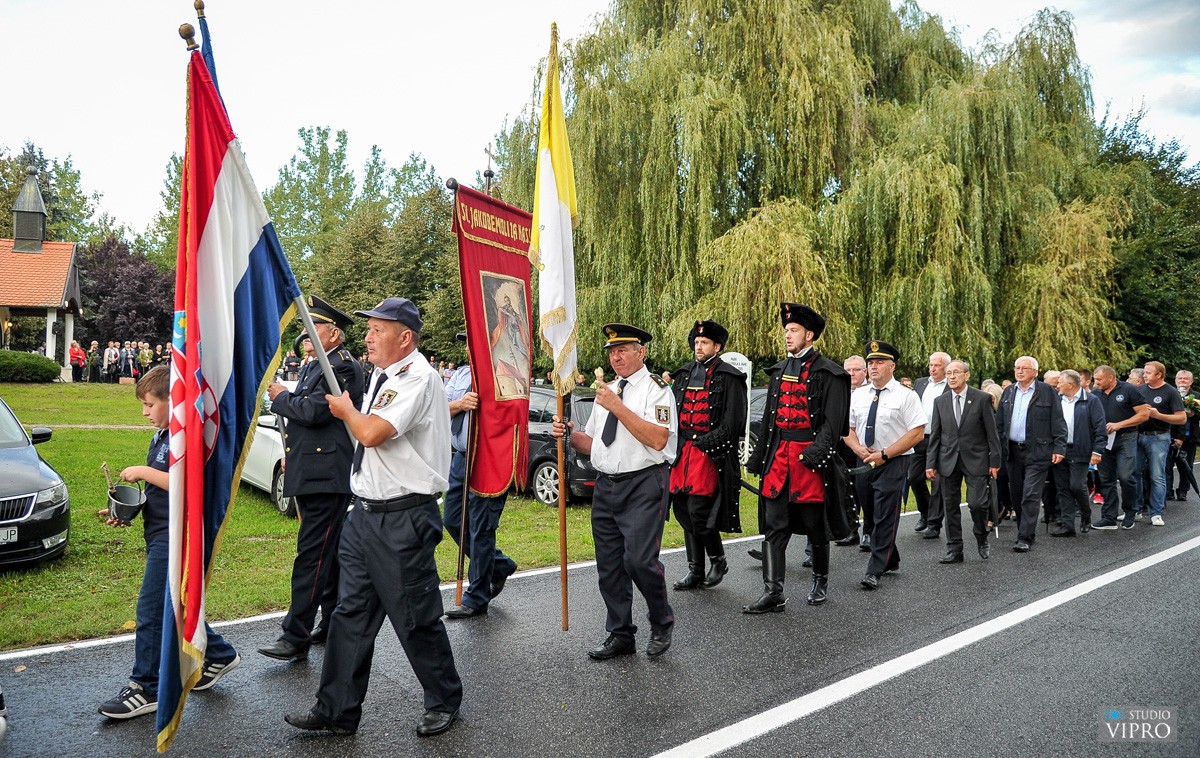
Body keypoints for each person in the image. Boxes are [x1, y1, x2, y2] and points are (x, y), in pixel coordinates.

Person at [285, 297, 462, 738]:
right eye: (367, 329)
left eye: (377, 330)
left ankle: (444, 699)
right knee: (350, 614)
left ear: (405, 337)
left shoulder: (417, 376)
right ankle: (336, 709)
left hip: (402, 516)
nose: (367, 336)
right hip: (365, 514)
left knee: (414, 616)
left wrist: (345, 410)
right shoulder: (385, 374)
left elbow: (372, 432)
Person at [97, 365, 240, 719]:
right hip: (158, 529)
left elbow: (188, 484)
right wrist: (128, 509)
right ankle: (219, 654)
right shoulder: (161, 435)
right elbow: (164, 490)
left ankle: (145, 687)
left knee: (151, 610)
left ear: (172, 401)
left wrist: (143, 472)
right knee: (172, 607)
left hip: (179, 536)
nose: (144, 412)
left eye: (149, 404)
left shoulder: (185, 435)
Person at [551, 323, 678, 659]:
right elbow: (593, 443)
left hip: (644, 483)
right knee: (608, 566)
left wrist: (617, 405)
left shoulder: (657, 391)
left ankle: (661, 620)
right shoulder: (607, 391)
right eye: (611, 351)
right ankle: (620, 633)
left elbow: (658, 438)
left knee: (639, 561)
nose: (616, 356)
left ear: (642, 352)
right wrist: (568, 433)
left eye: (623, 350)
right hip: (607, 485)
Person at [259, 296, 364, 662]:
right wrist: (294, 454)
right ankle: (329, 623)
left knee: (312, 557)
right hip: (311, 469)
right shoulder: (316, 365)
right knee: (328, 555)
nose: (306, 333)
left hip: (326, 475)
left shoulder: (342, 368)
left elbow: (317, 411)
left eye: (314, 328)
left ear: (333, 333)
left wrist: (280, 398)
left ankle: (295, 635)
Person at [743, 304, 851, 610]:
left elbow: (833, 425)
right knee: (774, 525)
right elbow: (769, 421)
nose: (788, 336)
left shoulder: (831, 374)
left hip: (810, 462)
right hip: (779, 460)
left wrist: (814, 454)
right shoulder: (778, 370)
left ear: (810, 335)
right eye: (786, 331)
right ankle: (773, 592)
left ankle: (820, 580)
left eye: (794, 331)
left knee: (815, 526)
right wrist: (758, 458)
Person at [442, 332, 519, 618]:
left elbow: (512, 416)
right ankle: (498, 565)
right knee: (452, 520)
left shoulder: (504, 373)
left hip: (490, 459)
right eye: (466, 340)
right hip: (462, 458)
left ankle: (477, 596)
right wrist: (460, 404)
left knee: (481, 527)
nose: (468, 345)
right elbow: (440, 408)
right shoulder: (460, 374)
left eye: (474, 340)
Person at [667, 320, 746, 591]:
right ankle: (695, 570)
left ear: (717, 346)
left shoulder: (730, 377)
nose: (699, 347)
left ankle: (717, 559)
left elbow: (733, 423)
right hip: (682, 452)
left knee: (698, 510)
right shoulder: (684, 373)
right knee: (682, 509)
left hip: (708, 454)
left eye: (705, 343)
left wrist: (706, 444)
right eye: (697, 343)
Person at [844, 340, 925, 589]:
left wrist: (885, 454)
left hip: (894, 461)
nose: (873, 367)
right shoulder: (858, 395)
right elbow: (847, 428)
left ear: (892, 366)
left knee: (885, 515)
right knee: (871, 511)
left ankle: (874, 569)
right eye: (870, 363)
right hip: (865, 459)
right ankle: (891, 557)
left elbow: (917, 432)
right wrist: (858, 448)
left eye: (879, 362)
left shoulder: (906, 395)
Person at [925, 360, 1001, 561]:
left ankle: (981, 537)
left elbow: (992, 434)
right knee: (950, 506)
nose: (951, 376)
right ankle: (954, 549)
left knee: (976, 504)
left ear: (966, 376)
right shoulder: (940, 401)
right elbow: (936, 434)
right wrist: (930, 463)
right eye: (948, 373)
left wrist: (995, 462)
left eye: (956, 372)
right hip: (948, 460)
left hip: (976, 458)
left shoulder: (982, 399)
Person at [996, 356, 1067, 553]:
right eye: (1016, 367)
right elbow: (1000, 422)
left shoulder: (1046, 392)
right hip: (1012, 451)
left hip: (1038, 451)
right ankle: (1026, 530)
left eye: (1024, 368)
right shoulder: (1009, 391)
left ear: (1035, 372)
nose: (1019, 371)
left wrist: (1059, 448)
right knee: (1017, 494)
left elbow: (1058, 422)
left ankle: (1024, 537)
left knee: (1030, 494)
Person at [1090, 365, 1148, 530]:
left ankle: (1130, 511)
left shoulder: (1129, 390)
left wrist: (1119, 424)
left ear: (1111, 378)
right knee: (1106, 478)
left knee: (1125, 476)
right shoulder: (1095, 394)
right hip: (1103, 440)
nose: (1096, 382)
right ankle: (1109, 516)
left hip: (1126, 437)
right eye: (1095, 379)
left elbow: (1143, 414)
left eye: (1100, 379)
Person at [1049, 370, 1107, 536]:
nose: (1057, 385)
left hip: (1080, 449)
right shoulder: (1057, 400)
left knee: (1076, 485)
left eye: (1060, 382)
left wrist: (1097, 451)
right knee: (1063, 487)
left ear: (1070, 384)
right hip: (1060, 449)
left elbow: (1099, 427)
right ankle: (1068, 525)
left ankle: (1085, 514)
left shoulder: (1091, 400)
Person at [1135, 361, 1186, 526]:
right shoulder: (1140, 390)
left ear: (1159, 375)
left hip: (1159, 437)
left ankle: (1156, 512)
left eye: (1148, 373)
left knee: (1156, 475)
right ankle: (1135, 509)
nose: (1145, 375)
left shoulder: (1170, 392)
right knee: (1134, 473)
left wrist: (1159, 415)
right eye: (1144, 373)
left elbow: (1181, 417)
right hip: (1138, 435)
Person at [910, 352, 951, 538]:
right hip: (920, 438)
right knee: (914, 478)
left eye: (937, 366)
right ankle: (925, 513)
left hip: (942, 440)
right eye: (931, 365)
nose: (932, 369)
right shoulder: (920, 383)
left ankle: (934, 523)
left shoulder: (951, 386)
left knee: (938, 482)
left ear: (946, 368)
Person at [835, 355, 870, 550]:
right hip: (842, 445)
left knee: (863, 488)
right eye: (848, 370)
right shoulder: (840, 389)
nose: (851, 374)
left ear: (864, 371)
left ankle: (868, 532)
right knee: (845, 489)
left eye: (856, 370)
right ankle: (851, 529)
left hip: (864, 446)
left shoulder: (871, 391)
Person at [1168, 370, 1198, 501]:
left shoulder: (1197, 396)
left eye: (1186, 379)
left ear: (1191, 381)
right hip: (1170, 435)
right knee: (1167, 465)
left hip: (1189, 436)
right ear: (1175, 380)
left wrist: (1194, 414)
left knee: (1185, 465)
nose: (1182, 381)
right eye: (1180, 378)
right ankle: (1168, 491)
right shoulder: (1170, 394)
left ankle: (1183, 490)